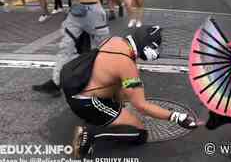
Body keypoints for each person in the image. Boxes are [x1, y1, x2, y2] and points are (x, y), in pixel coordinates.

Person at [60, 26, 198, 158]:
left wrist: (122, 100)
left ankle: (96, 119)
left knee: (122, 103)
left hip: (79, 90)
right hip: (87, 101)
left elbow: (114, 80)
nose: (157, 52)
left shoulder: (114, 40)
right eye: (156, 47)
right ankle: (91, 134)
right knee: (140, 133)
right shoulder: (127, 65)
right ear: (146, 45)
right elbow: (142, 106)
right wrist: (177, 117)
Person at [32, 0, 111, 96]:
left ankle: (111, 79)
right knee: (66, 46)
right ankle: (56, 83)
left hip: (94, 12)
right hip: (77, 11)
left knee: (104, 47)